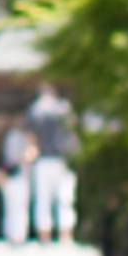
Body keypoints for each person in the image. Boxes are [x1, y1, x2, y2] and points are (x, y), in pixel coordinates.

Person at [26, 84, 76, 242]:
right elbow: (72, 128)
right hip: (61, 158)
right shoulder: (62, 109)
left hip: (42, 159)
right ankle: (65, 234)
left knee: (42, 198)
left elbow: (31, 137)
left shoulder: (35, 110)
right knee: (64, 197)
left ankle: (44, 235)